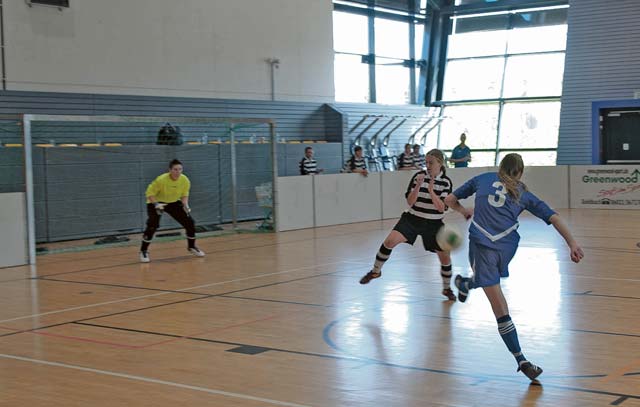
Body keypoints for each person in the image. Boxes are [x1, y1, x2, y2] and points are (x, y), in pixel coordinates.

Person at [443, 153, 584, 381]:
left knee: (492, 290)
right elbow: (555, 218)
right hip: (497, 248)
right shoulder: (524, 193)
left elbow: (449, 199)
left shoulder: (483, 178)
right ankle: (522, 360)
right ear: (519, 172)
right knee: (500, 306)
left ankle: (465, 282)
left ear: (501, 168)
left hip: (483, 244)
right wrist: (572, 243)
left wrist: (464, 211)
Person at [359, 149, 467, 301]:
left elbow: (441, 208)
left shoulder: (445, 182)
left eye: (431, 163)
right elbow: (410, 201)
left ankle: (446, 288)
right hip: (412, 218)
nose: (427, 166)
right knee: (389, 242)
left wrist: (431, 190)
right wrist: (418, 186)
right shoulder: (418, 176)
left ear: (440, 163)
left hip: (434, 224)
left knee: (445, 259)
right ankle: (376, 271)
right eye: (426, 162)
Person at [139, 159, 205, 263]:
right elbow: (149, 193)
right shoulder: (161, 180)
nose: (178, 172)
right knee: (153, 225)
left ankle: (191, 247)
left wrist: (185, 205)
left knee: (190, 223)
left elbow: (184, 195)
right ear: (170, 170)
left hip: (173, 202)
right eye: (175, 169)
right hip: (156, 202)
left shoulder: (185, 180)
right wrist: (156, 205)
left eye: (180, 169)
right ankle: (144, 250)